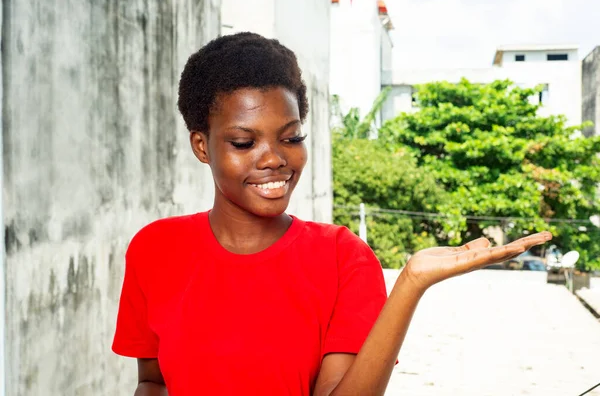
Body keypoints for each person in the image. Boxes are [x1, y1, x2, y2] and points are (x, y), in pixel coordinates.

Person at [112, 32, 551, 396]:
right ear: (202, 146)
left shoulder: (344, 258)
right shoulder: (155, 249)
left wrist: (411, 283)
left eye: (291, 137)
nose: (274, 159)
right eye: (245, 143)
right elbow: (152, 382)